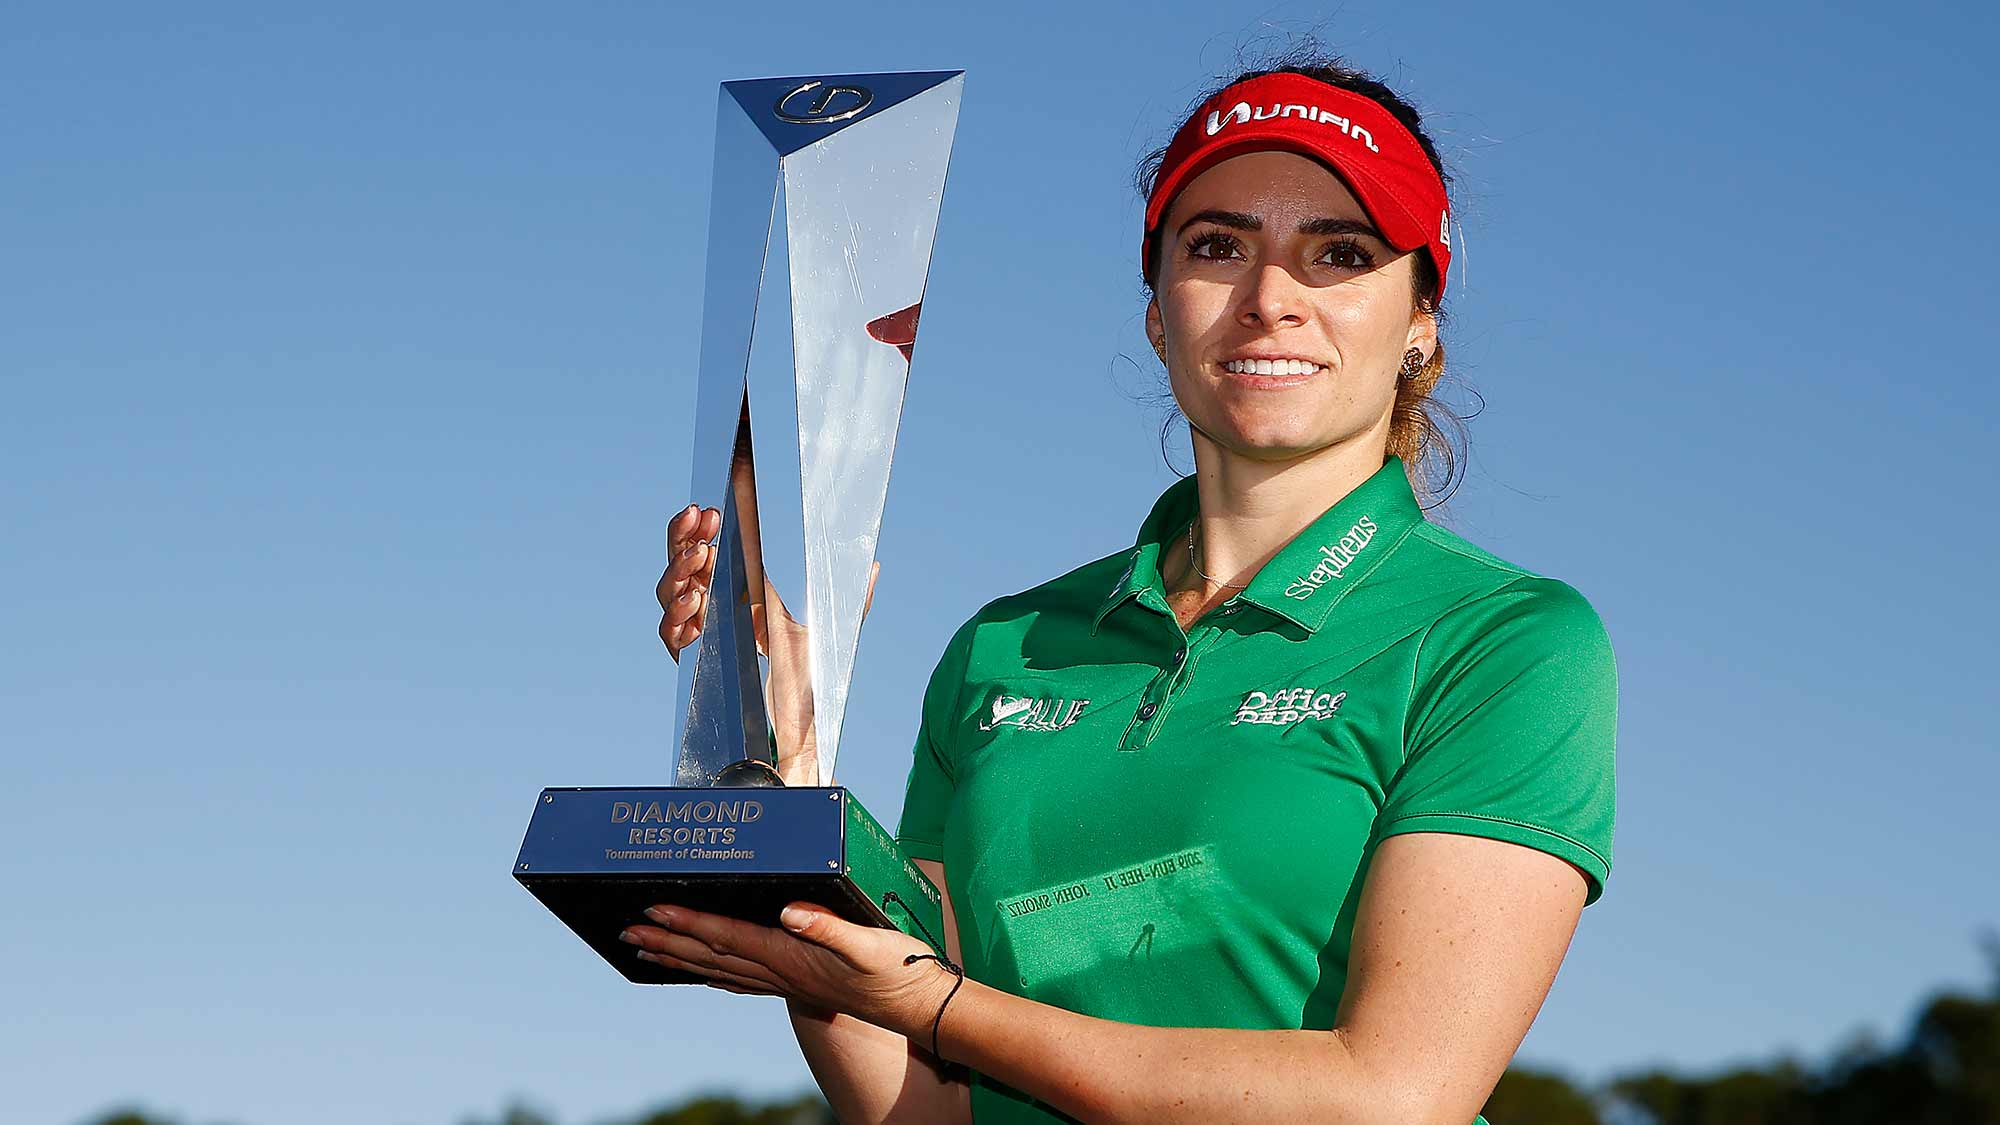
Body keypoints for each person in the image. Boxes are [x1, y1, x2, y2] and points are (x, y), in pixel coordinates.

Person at [641, 55, 1616, 1125]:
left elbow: (1388, 1098)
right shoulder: (1002, 647)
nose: (1269, 299)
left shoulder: (1501, 640)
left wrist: (939, 1005)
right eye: (1216, 246)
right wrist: (788, 785)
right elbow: (922, 1107)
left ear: (1420, 321)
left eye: (1338, 253)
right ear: (1158, 316)